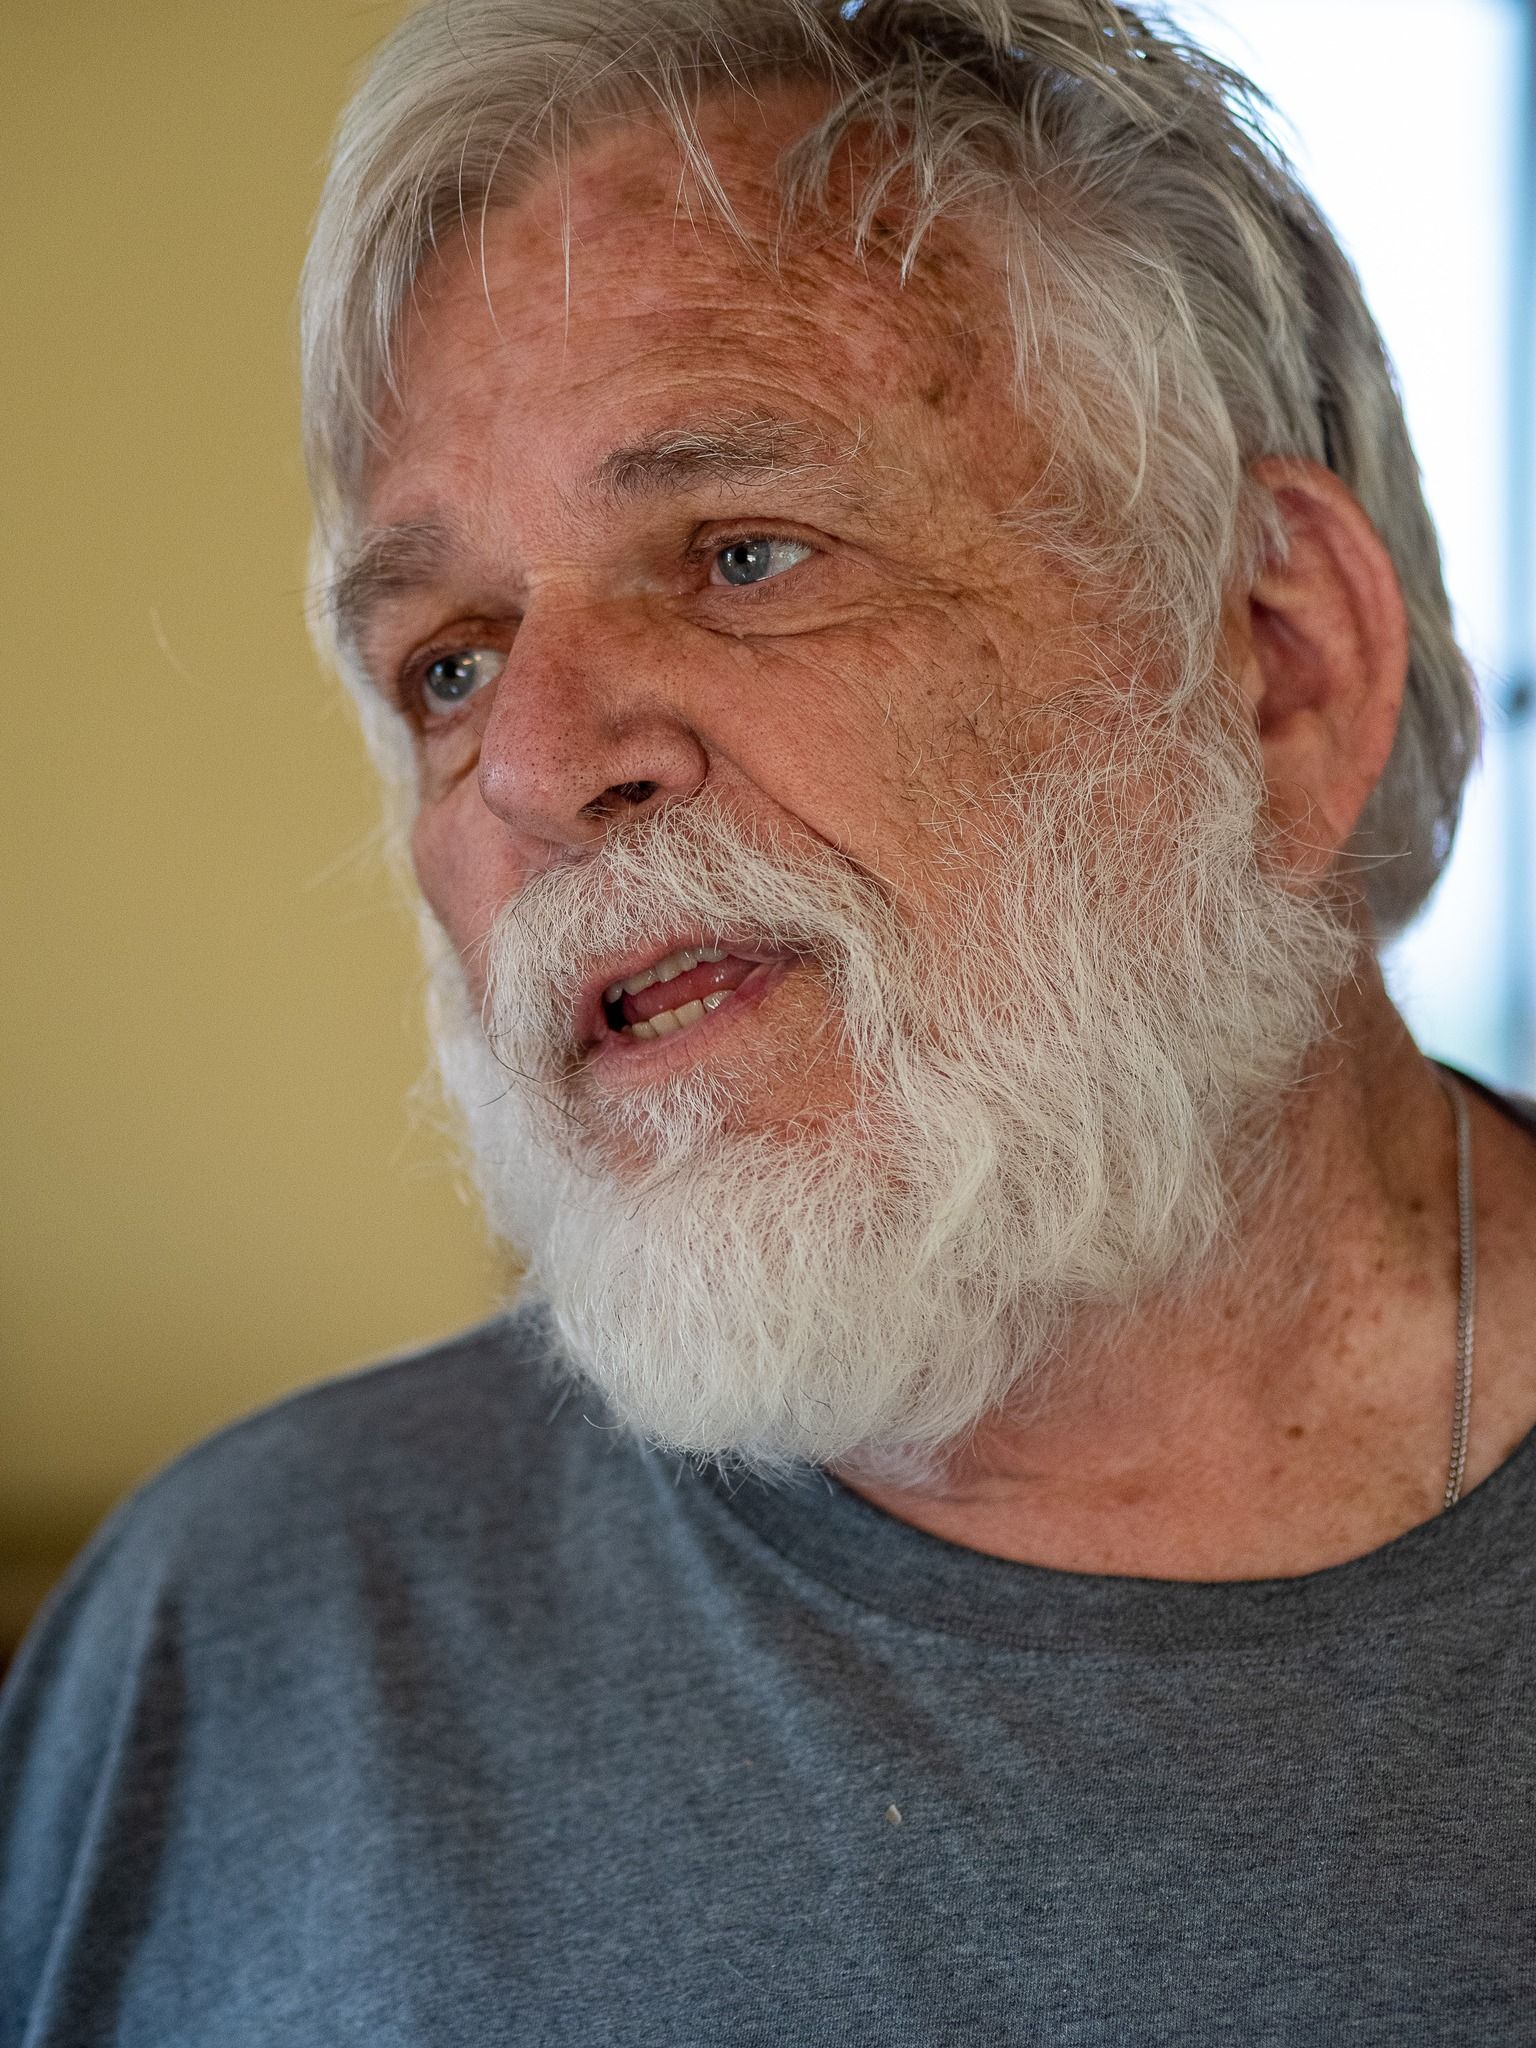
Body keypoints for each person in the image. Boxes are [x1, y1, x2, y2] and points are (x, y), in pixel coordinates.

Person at [3, 1, 1534, 2039]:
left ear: (1270, 666)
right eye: (448, 664)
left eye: (742, 553)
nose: (535, 766)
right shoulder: (232, 1635)